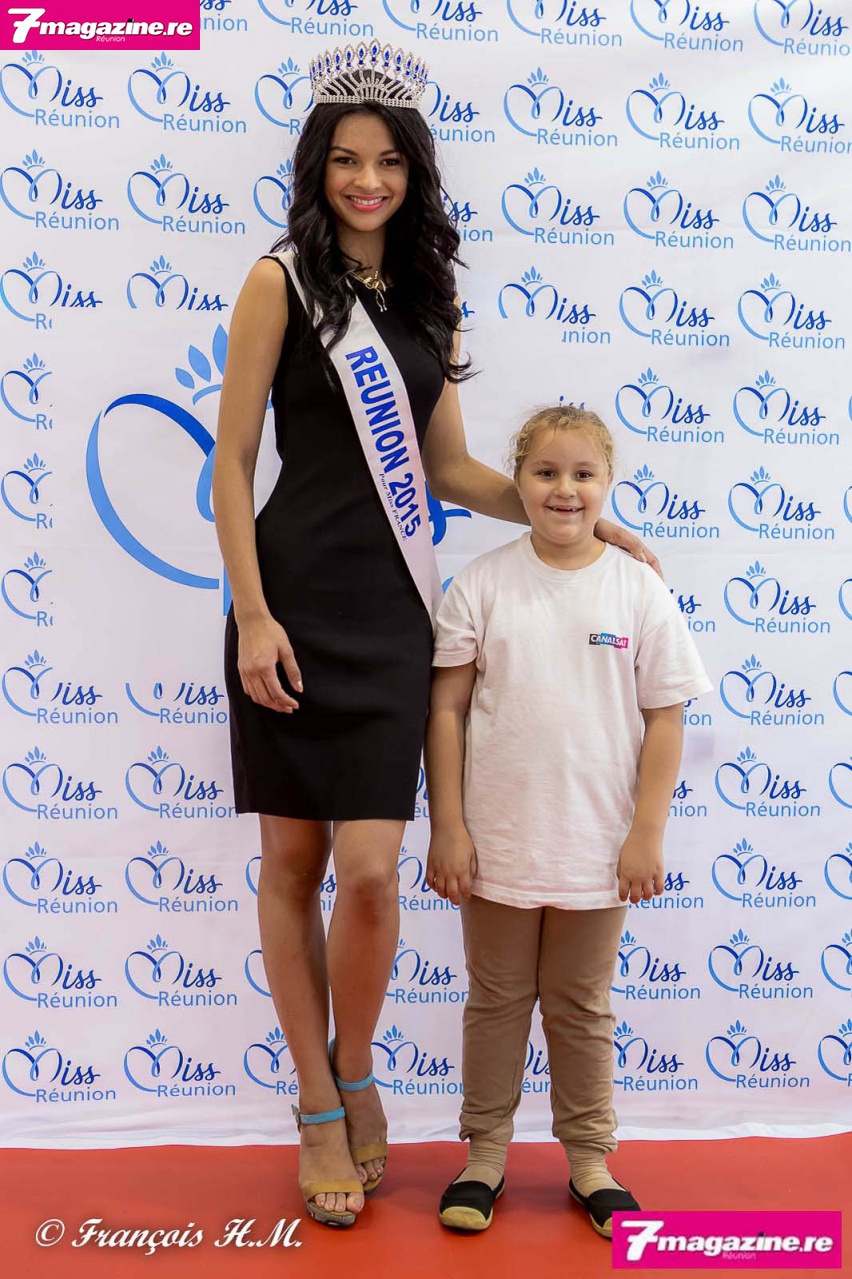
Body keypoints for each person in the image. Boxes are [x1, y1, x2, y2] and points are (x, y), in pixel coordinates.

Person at [212, 43, 656, 1230]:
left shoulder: (426, 295)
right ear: (317, 169)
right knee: (292, 866)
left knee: (369, 874)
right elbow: (233, 460)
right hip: (290, 604)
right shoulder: (275, 282)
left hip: (391, 614)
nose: (368, 181)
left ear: (415, 174)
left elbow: (449, 466)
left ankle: (355, 1067)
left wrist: (575, 516)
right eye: (347, 160)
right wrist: (251, 613)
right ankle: (319, 1103)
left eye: (390, 162)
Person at [425, 405, 712, 1239]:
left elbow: (665, 719)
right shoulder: (481, 583)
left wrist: (645, 832)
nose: (565, 489)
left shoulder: (637, 586)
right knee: (496, 999)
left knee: (581, 1004)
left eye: (584, 473)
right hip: (498, 843)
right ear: (517, 480)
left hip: (598, 847)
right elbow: (446, 710)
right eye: (546, 472)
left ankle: (591, 1160)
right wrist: (449, 826)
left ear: (608, 483)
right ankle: (484, 1154)